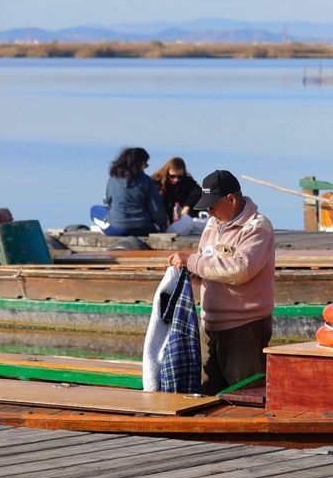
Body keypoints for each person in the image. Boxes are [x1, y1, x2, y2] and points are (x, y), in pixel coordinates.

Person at [168, 170, 276, 393]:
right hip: (210, 325)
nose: (209, 211)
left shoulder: (258, 227)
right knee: (207, 393)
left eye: (212, 205)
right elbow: (204, 260)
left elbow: (240, 269)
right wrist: (189, 271)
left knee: (245, 397)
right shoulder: (212, 224)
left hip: (244, 328)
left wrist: (192, 262)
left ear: (231, 200)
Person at [101, 146, 166, 236]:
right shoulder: (147, 181)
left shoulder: (113, 178)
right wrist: (162, 223)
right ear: (139, 164)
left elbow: (107, 201)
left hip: (117, 228)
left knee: (95, 210)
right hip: (143, 228)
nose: (146, 167)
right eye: (145, 164)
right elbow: (156, 209)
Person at [152, 157, 202, 227]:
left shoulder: (187, 181)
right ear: (166, 172)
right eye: (172, 176)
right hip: (160, 219)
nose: (176, 180)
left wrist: (187, 206)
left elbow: (198, 191)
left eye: (179, 177)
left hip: (179, 218)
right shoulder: (156, 181)